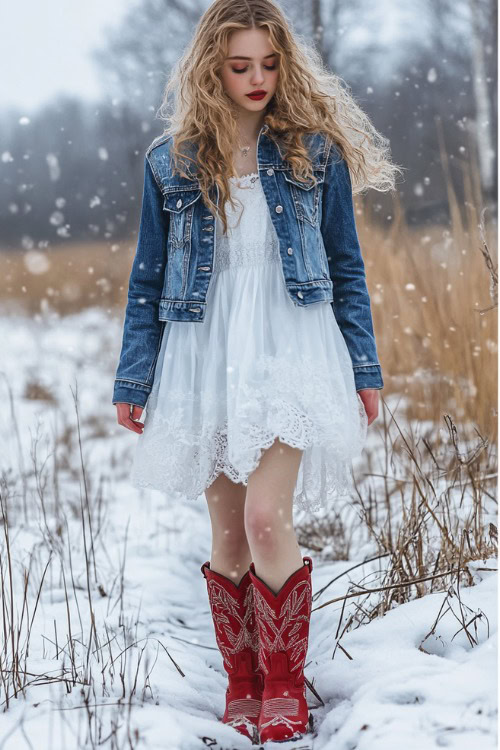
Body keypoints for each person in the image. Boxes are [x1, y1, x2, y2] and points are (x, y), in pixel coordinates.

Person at [112, 0, 400, 742]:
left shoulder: (314, 152)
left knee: (268, 518)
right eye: (240, 65)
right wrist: (134, 380)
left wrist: (363, 364)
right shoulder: (168, 161)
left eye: (269, 64)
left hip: (291, 348)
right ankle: (244, 683)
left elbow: (345, 265)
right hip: (203, 354)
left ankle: (284, 689)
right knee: (229, 531)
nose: (257, 79)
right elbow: (147, 280)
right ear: (212, 66)